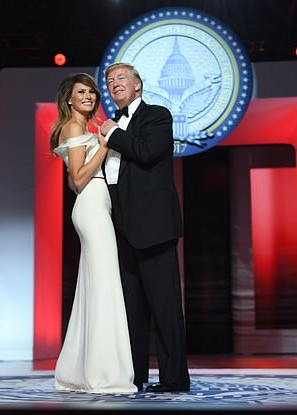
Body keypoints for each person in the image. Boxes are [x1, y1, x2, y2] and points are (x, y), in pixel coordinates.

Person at [99, 63, 190, 393]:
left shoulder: (157, 115)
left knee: (164, 306)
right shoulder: (111, 126)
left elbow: (148, 152)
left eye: (121, 78)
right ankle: (134, 377)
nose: (114, 84)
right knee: (131, 312)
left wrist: (112, 133)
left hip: (153, 226)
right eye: (110, 81)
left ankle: (174, 379)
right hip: (120, 229)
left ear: (138, 86)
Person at [50, 73, 137, 394]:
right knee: (104, 289)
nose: (88, 96)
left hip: (98, 209)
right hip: (90, 208)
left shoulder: (82, 127)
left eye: (91, 91)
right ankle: (103, 374)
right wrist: (103, 145)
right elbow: (78, 179)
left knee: (95, 290)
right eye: (81, 92)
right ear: (69, 99)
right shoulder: (73, 128)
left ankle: (81, 371)